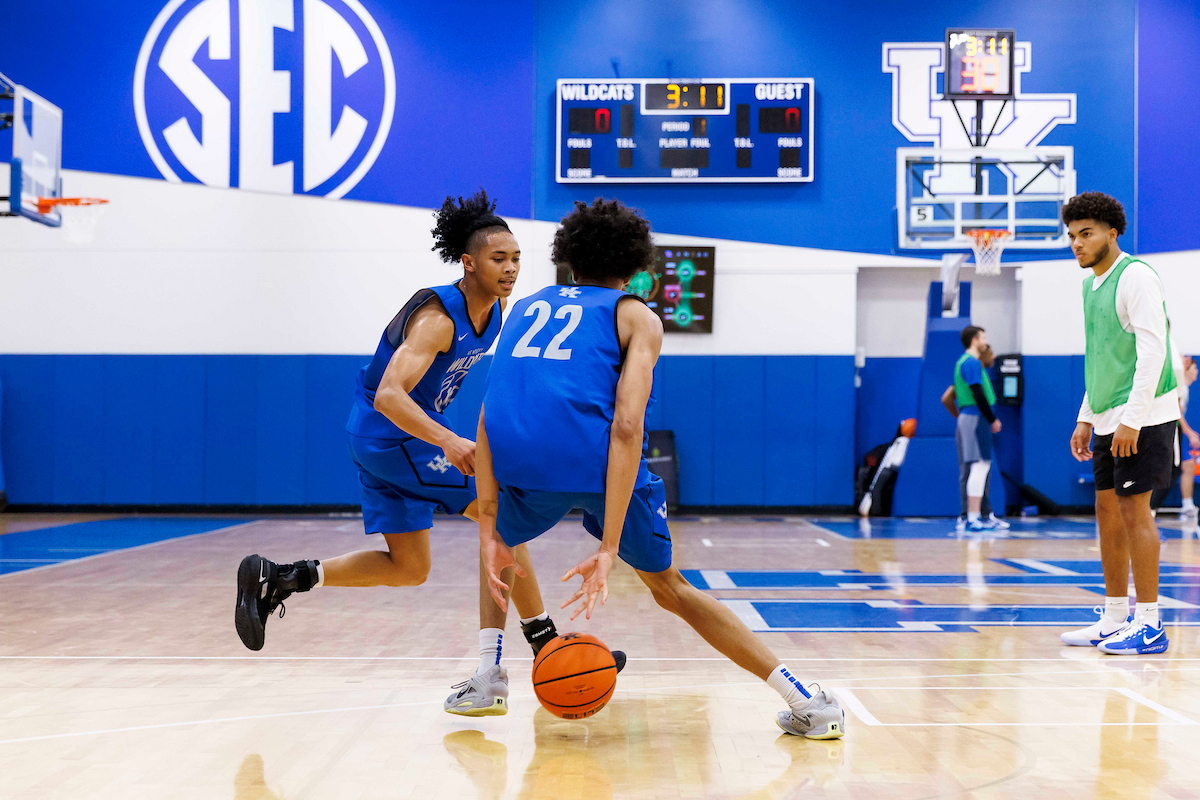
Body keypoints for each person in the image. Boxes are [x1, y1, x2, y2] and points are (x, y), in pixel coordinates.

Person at [232, 191, 622, 714]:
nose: (510, 269)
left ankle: (281, 577)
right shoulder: (439, 318)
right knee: (503, 518)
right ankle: (537, 650)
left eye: (515, 258)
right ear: (468, 262)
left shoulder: (496, 312)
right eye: (498, 259)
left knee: (408, 567)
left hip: (388, 438)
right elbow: (390, 395)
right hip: (392, 438)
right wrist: (449, 439)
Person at [475, 199, 845, 739]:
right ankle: (806, 702)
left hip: (523, 462)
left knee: (501, 549)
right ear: (634, 264)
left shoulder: (523, 307)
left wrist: (489, 524)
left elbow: (488, 414)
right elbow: (627, 427)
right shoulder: (637, 316)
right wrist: (608, 547)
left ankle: (487, 675)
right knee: (671, 589)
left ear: (568, 255)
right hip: (597, 463)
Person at [1064, 191, 1176, 655]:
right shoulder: (1090, 286)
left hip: (1143, 417)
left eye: (1086, 234)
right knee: (1107, 512)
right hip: (1108, 415)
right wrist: (1086, 416)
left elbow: (1153, 353)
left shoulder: (1136, 277)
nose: (1077, 243)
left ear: (1112, 233)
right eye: (1072, 235)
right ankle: (1113, 617)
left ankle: (1149, 623)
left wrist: (1132, 420)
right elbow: (1102, 359)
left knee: (1135, 512)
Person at [941, 344, 1010, 531]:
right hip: (974, 418)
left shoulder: (973, 370)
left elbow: (947, 397)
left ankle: (983, 514)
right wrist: (963, 416)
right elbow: (947, 397)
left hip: (971, 419)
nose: (994, 357)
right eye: (991, 353)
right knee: (974, 468)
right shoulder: (971, 368)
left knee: (980, 470)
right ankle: (969, 516)